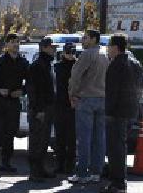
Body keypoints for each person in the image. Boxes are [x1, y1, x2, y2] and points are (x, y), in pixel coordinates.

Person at [101, 33, 143, 193]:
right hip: (131, 111)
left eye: (109, 47)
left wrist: (109, 111)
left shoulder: (116, 65)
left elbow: (112, 92)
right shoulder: (135, 63)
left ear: (115, 47)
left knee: (115, 149)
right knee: (121, 146)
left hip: (116, 113)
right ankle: (118, 181)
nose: (107, 50)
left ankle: (118, 183)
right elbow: (142, 88)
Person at [0, 33, 29, 174]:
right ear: (7, 45)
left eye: (17, 42)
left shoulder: (23, 63)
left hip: (13, 102)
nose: (16, 44)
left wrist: (22, 91)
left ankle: (6, 162)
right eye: (13, 42)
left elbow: (31, 81)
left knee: (10, 133)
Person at [68, 29, 108, 184]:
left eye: (85, 38)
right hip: (103, 99)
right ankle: (96, 172)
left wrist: (72, 94)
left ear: (93, 39)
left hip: (86, 99)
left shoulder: (87, 54)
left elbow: (76, 75)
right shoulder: (105, 54)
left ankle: (82, 173)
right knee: (99, 138)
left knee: (84, 138)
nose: (82, 41)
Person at [26, 37, 57, 182]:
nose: (54, 50)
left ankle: (40, 168)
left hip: (48, 107)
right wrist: (39, 110)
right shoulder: (37, 66)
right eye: (51, 47)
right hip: (40, 109)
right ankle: (34, 171)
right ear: (44, 47)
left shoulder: (48, 64)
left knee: (44, 140)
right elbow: (33, 91)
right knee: (36, 140)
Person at [53, 42, 78, 175]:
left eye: (72, 52)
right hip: (60, 105)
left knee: (71, 138)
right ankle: (60, 164)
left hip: (73, 106)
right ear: (63, 53)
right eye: (68, 52)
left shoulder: (78, 66)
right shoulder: (57, 67)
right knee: (60, 138)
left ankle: (70, 165)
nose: (70, 55)